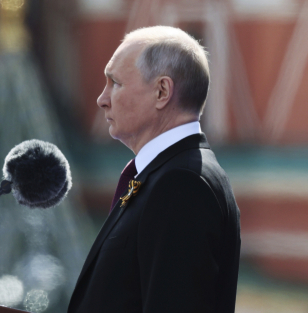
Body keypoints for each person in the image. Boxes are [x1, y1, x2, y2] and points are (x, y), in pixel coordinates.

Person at [68, 26, 240, 313]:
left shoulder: (183, 185)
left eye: (115, 83)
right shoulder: (166, 176)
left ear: (162, 91)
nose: (102, 98)